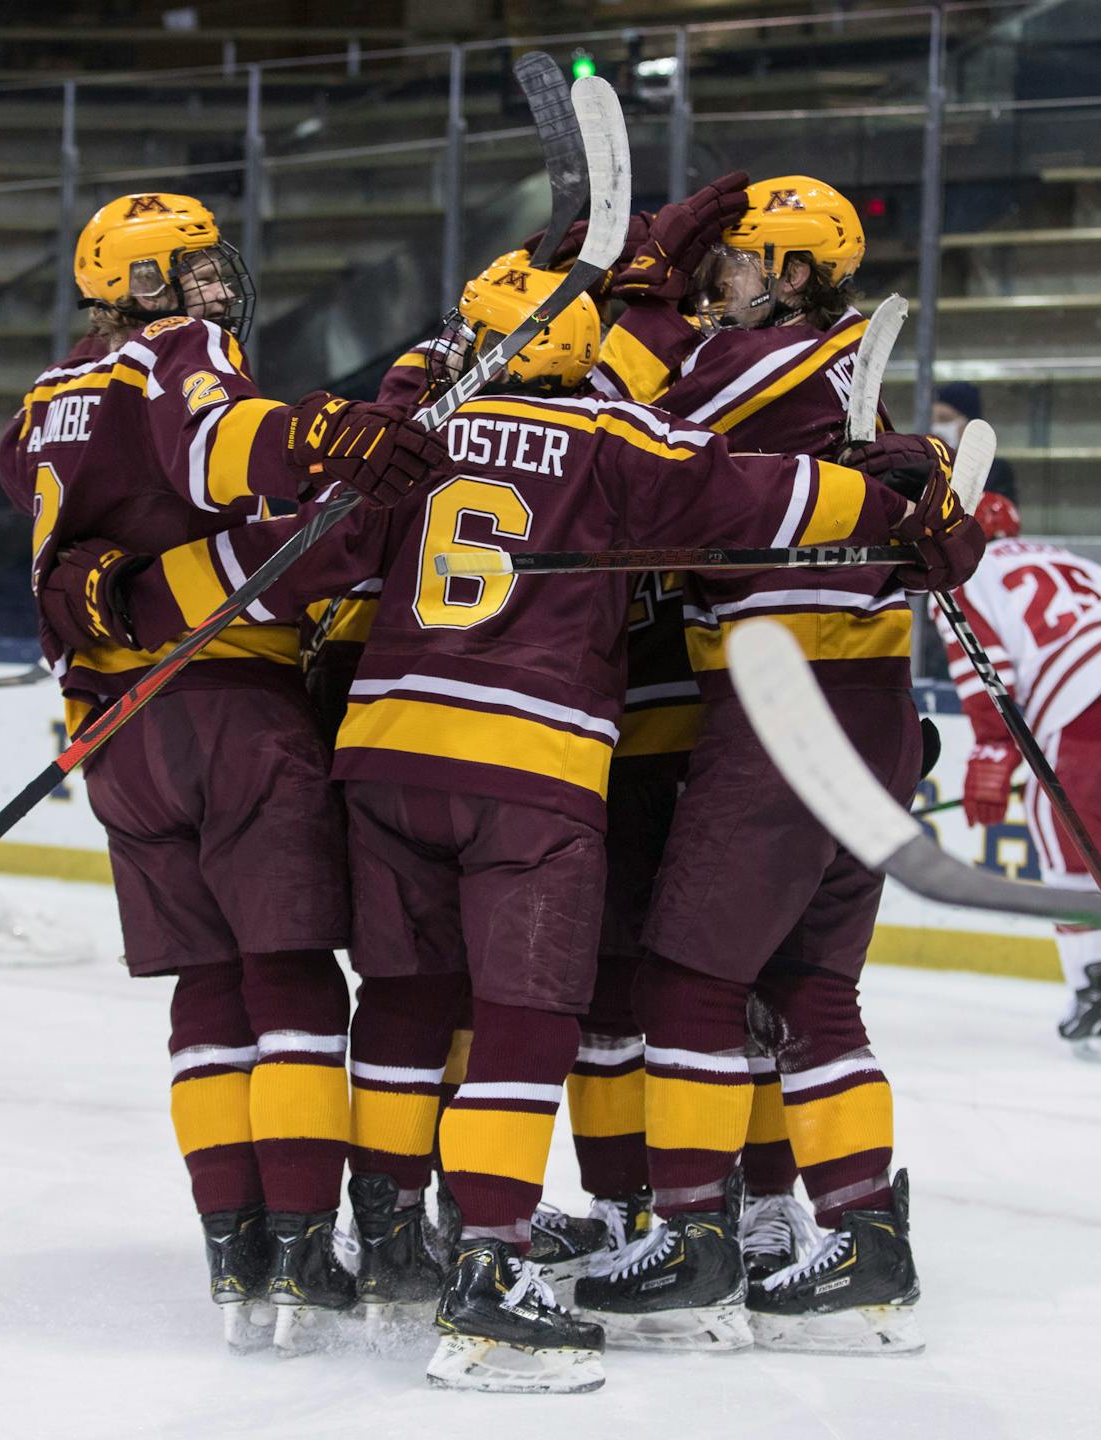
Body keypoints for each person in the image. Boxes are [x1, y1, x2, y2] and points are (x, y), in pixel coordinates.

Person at [75, 253, 968, 1391]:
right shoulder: (614, 439)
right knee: (527, 1020)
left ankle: (396, 1241)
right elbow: (763, 497)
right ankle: (491, 1279)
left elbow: (306, 558)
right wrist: (898, 505)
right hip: (531, 767)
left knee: (403, 1000)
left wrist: (117, 609)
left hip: (387, 762)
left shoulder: (413, 434)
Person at [0, 193, 443, 1355]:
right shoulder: (181, 357)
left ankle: (233, 1251)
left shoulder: (44, 400)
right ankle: (303, 1246)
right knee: (287, 974)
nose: (216, 286)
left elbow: (89, 539)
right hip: (230, 711)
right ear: (145, 288)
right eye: (192, 269)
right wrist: (312, 442)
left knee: (206, 988)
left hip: (116, 729)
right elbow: (218, 447)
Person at [580, 173, 982, 1356]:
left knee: (687, 983)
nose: (719, 281)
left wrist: (633, 283)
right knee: (810, 989)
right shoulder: (846, 388)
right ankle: (863, 1235)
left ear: (793, 274)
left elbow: (623, 432)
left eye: (741, 262)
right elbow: (923, 541)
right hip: (868, 714)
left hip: (788, 712)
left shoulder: (770, 363)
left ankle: (695, 1236)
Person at [932, 496, 1101, 1067]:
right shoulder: (1079, 563)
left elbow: (989, 673)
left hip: (1085, 710)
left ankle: (1092, 998)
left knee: (1071, 859)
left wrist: (992, 754)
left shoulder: (962, 580)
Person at [931, 381, 1017, 503]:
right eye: (932, 420)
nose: (936, 428)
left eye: (945, 419)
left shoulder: (994, 471)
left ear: (969, 424)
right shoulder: (926, 467)